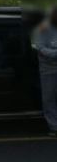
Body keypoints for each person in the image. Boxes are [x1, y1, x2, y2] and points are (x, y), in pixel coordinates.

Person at [33, 7, 57, 136]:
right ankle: (54, 127)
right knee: (49, 99)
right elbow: (41, 49)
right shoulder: (42, 29)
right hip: (48, 70)